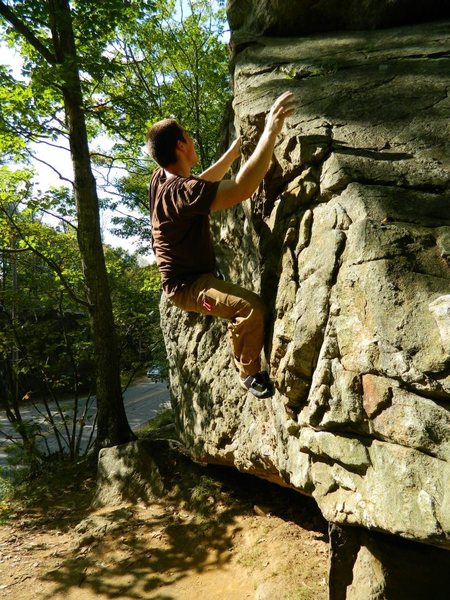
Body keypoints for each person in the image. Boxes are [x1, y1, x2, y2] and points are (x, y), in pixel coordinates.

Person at [147, 91, 295, 399]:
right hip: (187, 287)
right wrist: (270, 133)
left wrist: (232, 153)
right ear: (180, 145)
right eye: (188, 136)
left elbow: (199, 184)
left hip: (192, 276)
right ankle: (249, 373)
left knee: (240, 305)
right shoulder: (181, 192)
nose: (191, 140)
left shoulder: (161, 179)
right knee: (250, 308)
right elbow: (241, 189)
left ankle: (242, 350)